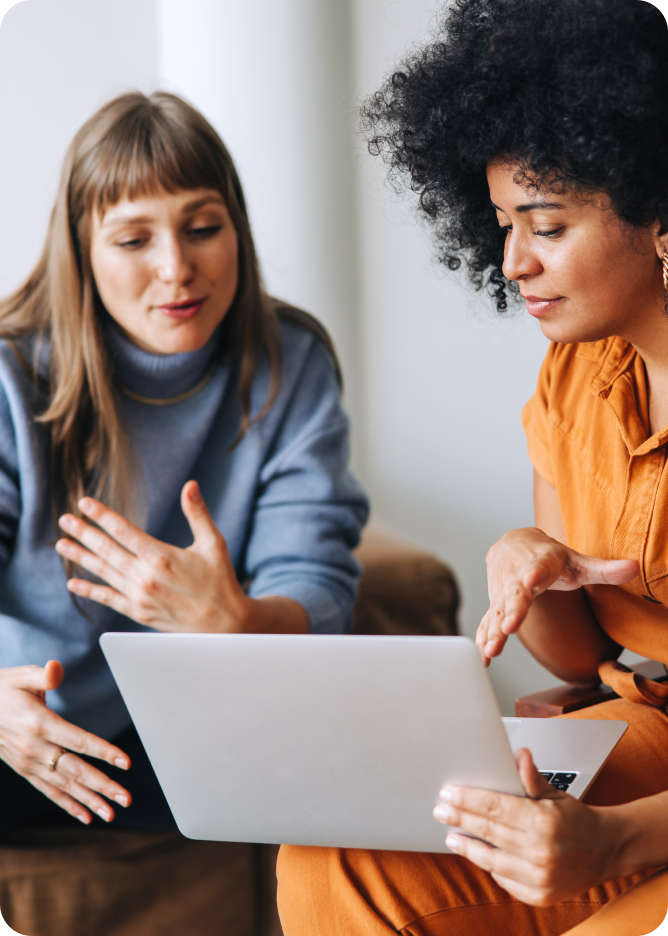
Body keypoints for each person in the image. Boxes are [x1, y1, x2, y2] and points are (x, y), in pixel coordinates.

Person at [275, 0, 668, 933]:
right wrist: (533, 564)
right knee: (340, 860)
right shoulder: (576, 373)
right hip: (646, 725)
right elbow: (578, 657)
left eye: (547, 224)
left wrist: (617, 843)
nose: (513, 262)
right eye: (501, 223)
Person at [0, 91, 368, 834]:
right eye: (134, 240)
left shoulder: (289, 361)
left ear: (237, 229)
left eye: (202, 228)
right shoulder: (12, 373)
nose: (176, 268)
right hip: (33, 721)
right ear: (82, 251)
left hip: (204, 726)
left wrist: (237, 620)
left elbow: (317, 579)